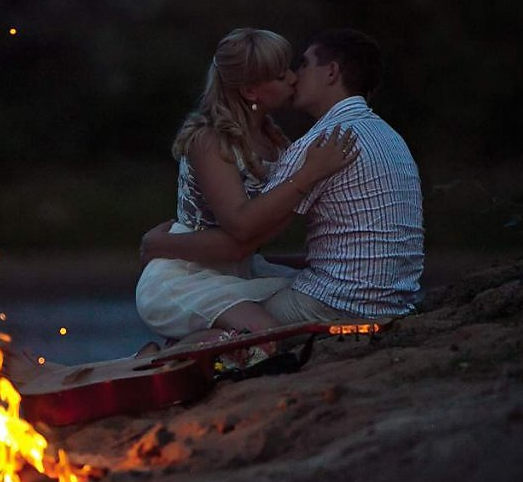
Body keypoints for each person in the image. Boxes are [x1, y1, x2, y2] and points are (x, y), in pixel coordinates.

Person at [142, 28, 424, 324]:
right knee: (254, 323)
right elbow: (243, 232)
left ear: (331, 73)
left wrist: (156, 243)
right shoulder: (213, 140)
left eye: (299, 66)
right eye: (282, 74)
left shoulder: (286, 144)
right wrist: (157, 246)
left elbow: (251, 239)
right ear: (251, 90)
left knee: (262, 313)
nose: (293, 77)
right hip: (191, 272)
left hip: (236, 264)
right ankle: (163, 354)